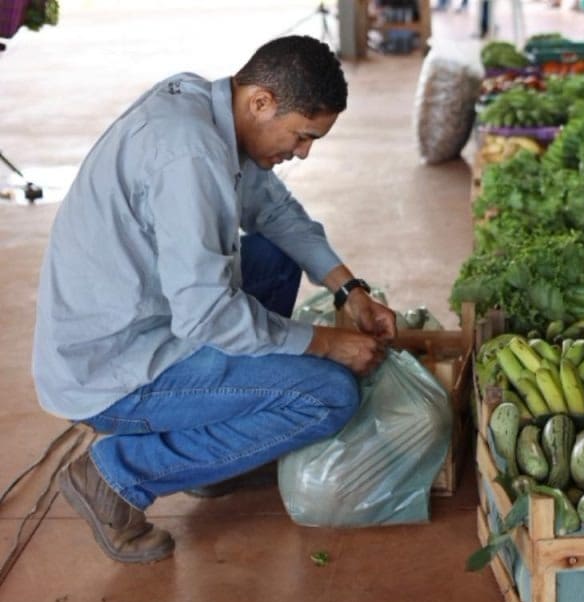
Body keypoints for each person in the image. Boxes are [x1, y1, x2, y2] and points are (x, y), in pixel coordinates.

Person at [32, 35, 397, 564]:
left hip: (148, 323)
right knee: (329, 395)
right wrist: (323, 344)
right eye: (302, 135)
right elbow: (206, 314)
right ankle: (116, 476)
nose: (303, 152)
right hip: (115, 371)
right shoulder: (190, 155)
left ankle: (206, 451)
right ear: (260, 103)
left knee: (271, 256)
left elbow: (275, 213)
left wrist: (349, 289)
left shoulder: (208, 110)